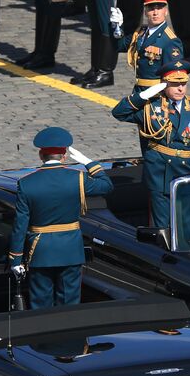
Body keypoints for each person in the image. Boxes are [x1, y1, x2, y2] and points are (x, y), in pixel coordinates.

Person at [8, 127, 113, 308]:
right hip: (70, 250)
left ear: (41, 155)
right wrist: (89, 163)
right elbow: (106, 185)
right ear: (64, 155)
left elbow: (20, 224)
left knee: (40, 304)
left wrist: (15, 258)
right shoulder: (78, 178)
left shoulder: (26, 183)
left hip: (40, 250)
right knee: (69, 304)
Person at [110, 59, 190, 229]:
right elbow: (119, 113)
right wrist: (142, 96)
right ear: (163, 85)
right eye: (175, 84)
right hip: (161, 173)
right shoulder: (150, 107)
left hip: (187, 171)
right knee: (163, 225)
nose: (180, 89)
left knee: (188, 222)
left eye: (183, 84)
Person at [121, 0, 185, 91]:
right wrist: (116, 27)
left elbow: (174, 76)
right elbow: (119, 46)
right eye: (151, 9)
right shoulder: (140, 32)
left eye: (159, 8)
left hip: (156, 94)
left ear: (166, 11)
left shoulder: (170, 40)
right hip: (138, 91)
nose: (155, 13)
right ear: (145, 12)